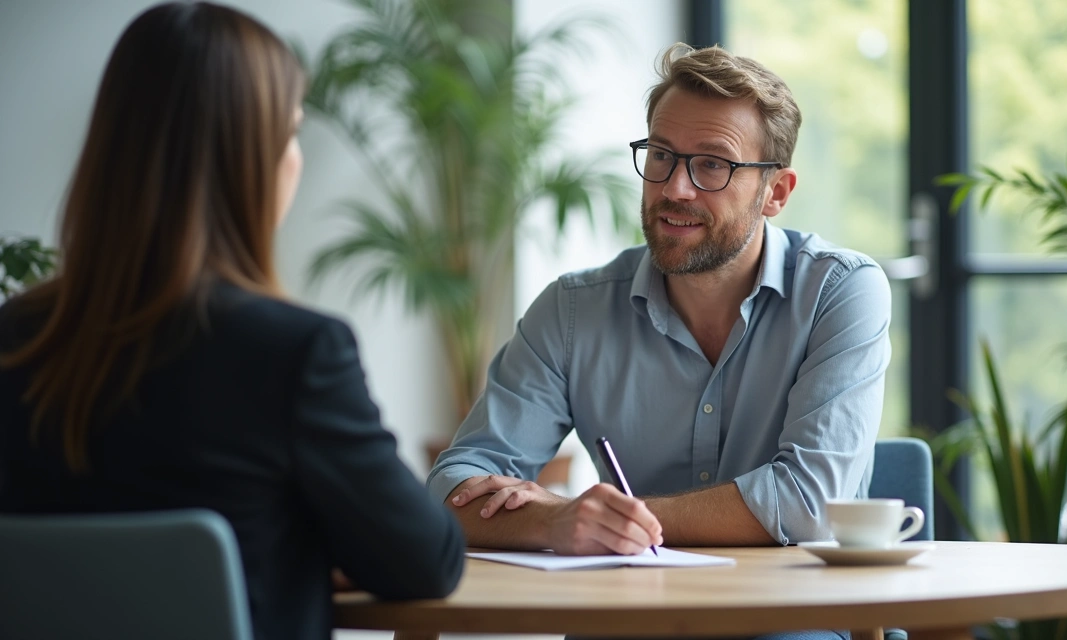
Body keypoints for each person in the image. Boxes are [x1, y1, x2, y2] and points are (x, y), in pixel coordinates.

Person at [0, 4, 464, 640]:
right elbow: (430, 561)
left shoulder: (16, 338)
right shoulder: (295, 353)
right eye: (292, 134)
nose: (295, 158)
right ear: (253, 160)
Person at [427, 43, 891, 557]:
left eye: (712, 165)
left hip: (790, 619)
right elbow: (454, 486)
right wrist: (555, 521)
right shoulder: (572, 311)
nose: (675, 188)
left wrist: (603, 519)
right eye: (662, 155)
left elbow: (808, 503)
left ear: (775, 193)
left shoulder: (840, 292)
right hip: (628, 614)